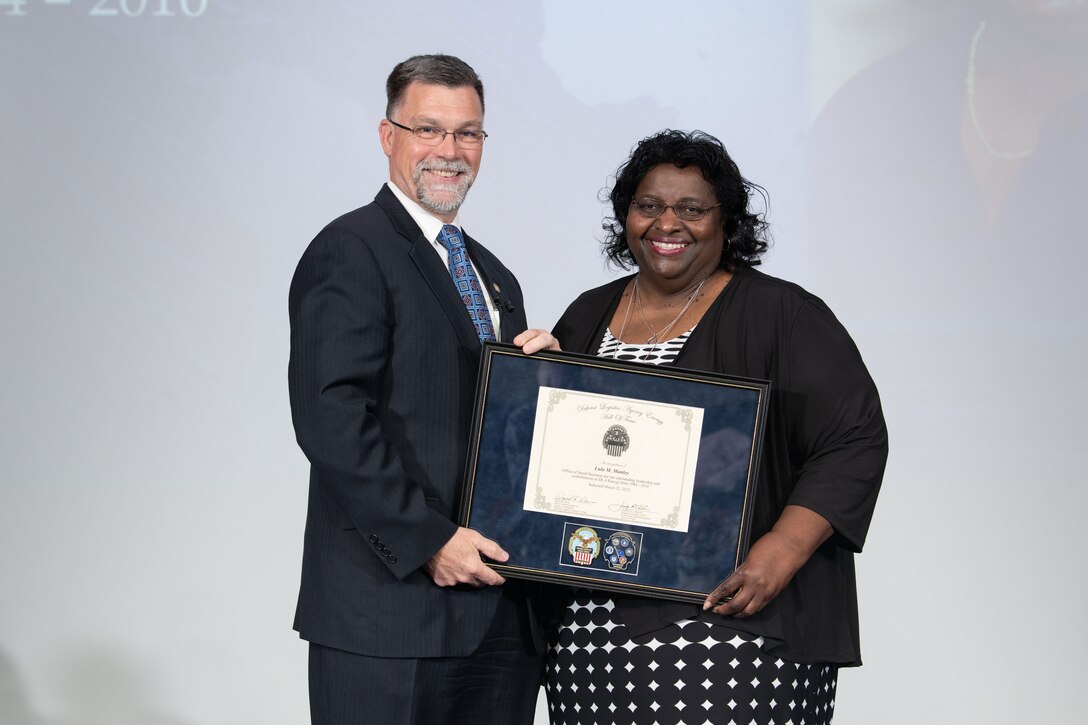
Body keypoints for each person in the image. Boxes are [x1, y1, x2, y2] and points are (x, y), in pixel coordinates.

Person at [542, 130, 888, 725]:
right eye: (648, 206)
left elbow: (852, 439)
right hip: (589, 633)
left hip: (730, 624)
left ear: (726, 220)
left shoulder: (783, 314)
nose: (667, 223)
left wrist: (779, 552)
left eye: (692, 209)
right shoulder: (585, 314)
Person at [288, 54, 556, 725]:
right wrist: (430, 539)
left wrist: (550, 386)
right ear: (389, 136)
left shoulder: (494, 274)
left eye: (468, 133)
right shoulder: (351, 248)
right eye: (429, 129)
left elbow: (490, 428)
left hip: (497, 614)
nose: (450, 151)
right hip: (390, 612)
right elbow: (331, 415)